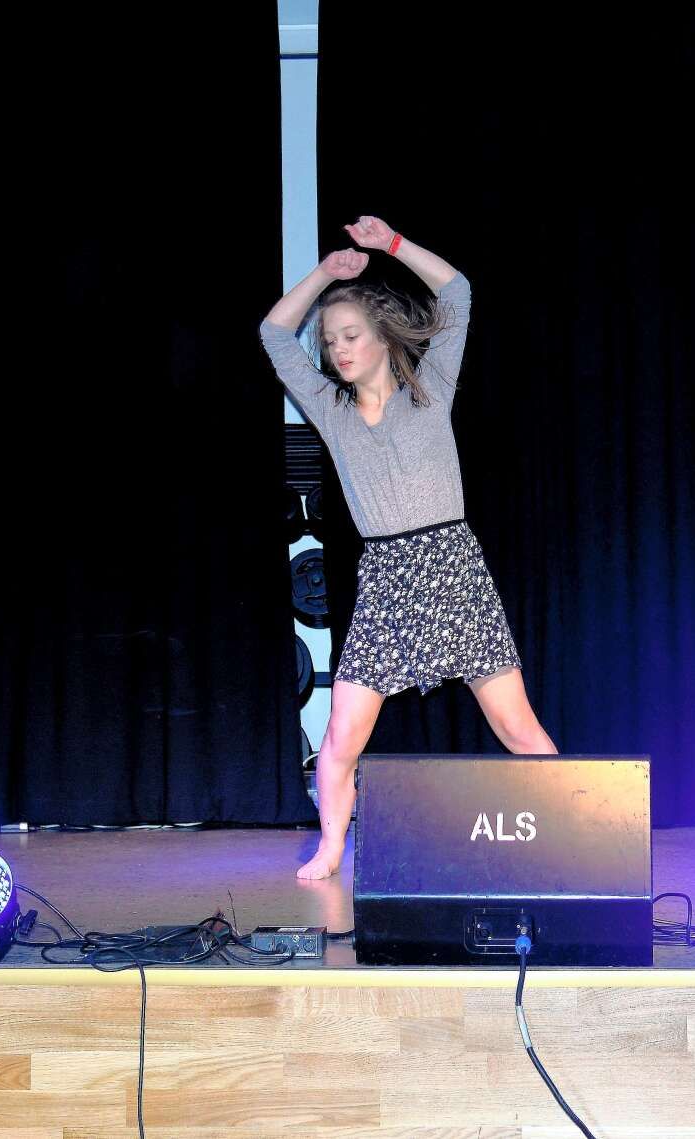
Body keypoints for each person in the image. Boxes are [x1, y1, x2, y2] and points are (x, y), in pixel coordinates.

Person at [260, 215, 557, 880]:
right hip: (386, 577)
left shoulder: (430, 388)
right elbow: (275, 334)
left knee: (517, 728)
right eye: (330, 340)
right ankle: (331, 847)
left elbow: (457, 292)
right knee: (340, 738)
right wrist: (324, 275)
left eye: (351, 335)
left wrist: (391, 245)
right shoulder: (332, 412)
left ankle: (569, 837)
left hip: (451, 567)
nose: (338, 349)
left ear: (383, 337)